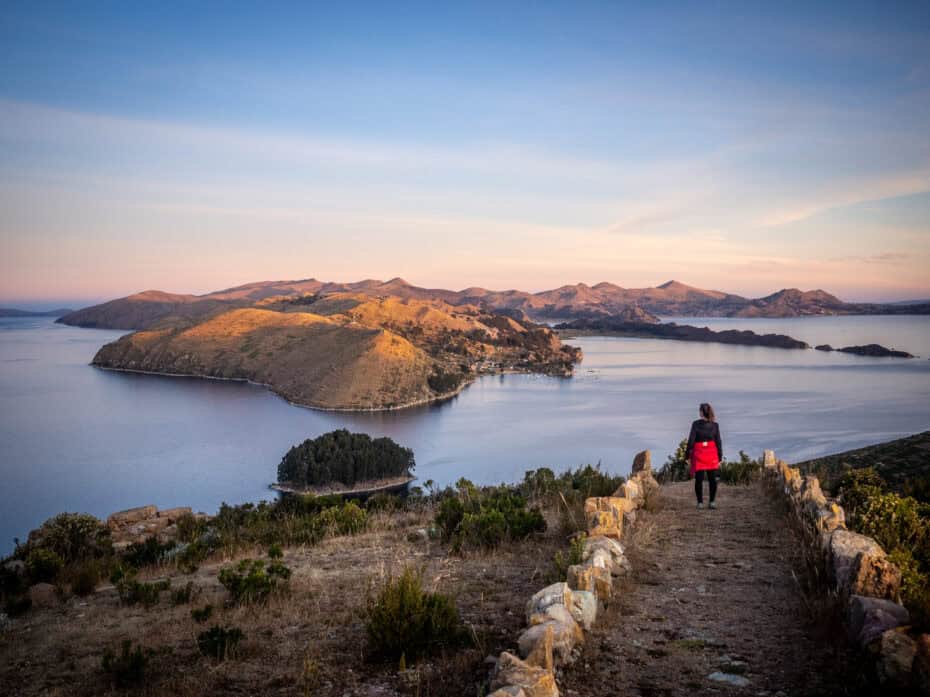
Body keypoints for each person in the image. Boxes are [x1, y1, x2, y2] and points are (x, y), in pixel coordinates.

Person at [686, 402, 722, 509]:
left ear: (702, 412)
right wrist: (720, 456)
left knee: (699, 479)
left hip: (699, 454)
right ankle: (712, 502)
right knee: (712, 479)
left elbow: (691, 441)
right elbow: (718, 441)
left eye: (700, 410)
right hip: (712, 454)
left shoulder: (695, 424)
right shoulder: (715, 425)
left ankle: (700, 503)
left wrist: (687, 455)